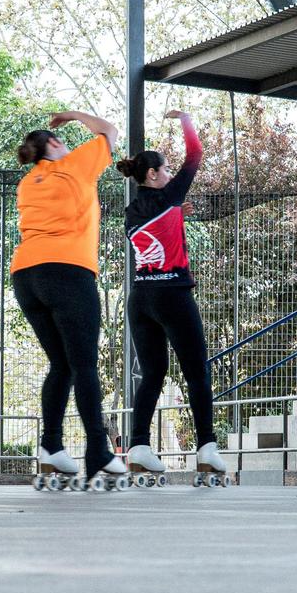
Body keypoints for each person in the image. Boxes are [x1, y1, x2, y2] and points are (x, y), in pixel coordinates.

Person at [11, 109, 131, 489]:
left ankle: (51, 449)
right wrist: (74, 115)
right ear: (55, 144)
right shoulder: (76, 164)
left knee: (60, 365)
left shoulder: (29, 182)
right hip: (67, 270)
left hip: (26, 275)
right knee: (83, 365)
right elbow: (109, 130)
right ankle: (98, 450)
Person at [118, 108, 229, 486]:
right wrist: (185, 119)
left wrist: (178, 211)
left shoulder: (132, 210)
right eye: (165, 169)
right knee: (198, 370)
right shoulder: (169, 195)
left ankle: (138, 448)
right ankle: (207, 448)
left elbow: (159, 228)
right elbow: (196, 154)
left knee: (152, 373)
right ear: (152, 175)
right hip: (172, 294)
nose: (169, 174)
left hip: (141, 298)